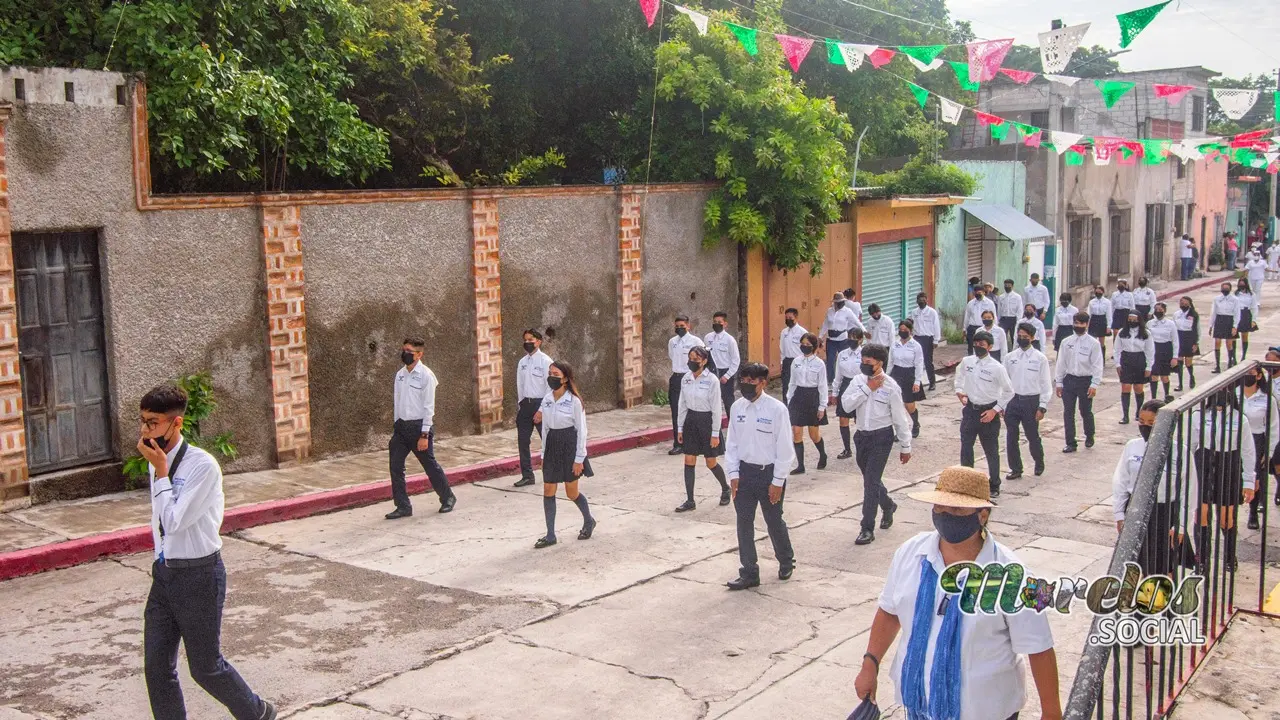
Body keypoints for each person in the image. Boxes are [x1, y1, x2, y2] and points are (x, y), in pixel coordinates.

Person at [853, 466, 1061, 720]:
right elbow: (890, 612)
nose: (946, 515)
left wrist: (1051, 712)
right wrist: (870, 663)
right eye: (940, 508)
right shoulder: (911, 553)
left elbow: (1038, 647)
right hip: (919, 707)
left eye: (957, 510)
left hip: (985, 711)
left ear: (982, 515)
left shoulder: (1014, 576)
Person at [138, 384, 278, 720]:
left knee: (205, 668)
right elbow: (159, 522)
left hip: (198, 575)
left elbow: (173, 521)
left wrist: (160, 474)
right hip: (165, 575)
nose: (145, 431)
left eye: (153, 423)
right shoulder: (157, 460)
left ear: (177, 424)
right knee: (157, 668)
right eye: (142, 422)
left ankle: (257, 713)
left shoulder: (202, 467)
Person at [724, 363, 797, 590]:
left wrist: (778, 481)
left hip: (769, 474)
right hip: (745, 474)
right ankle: (749, 572)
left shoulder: (776, 410)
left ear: (763, 383)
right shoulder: (737, 408)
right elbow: (732, 444)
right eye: (743, 381)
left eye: (751, 382)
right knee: (744, 522)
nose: (746, 385)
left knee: (773, 520)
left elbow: (785, 449)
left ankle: (785, 560)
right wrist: (733, 474)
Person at [1112, 399, 1198, 577]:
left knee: (1164, 566)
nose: (1145, 427)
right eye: (1142, 422)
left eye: (1151, 423)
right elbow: (1121, 481)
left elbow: (1189, 491)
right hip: (1136, 509)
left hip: (1165, 513)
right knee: (1135, 563)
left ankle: (1162, 602)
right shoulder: (1132, 447)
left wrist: (1181, 525)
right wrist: (1119, 514)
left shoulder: (1180, 452)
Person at [841, 343, 911, 546]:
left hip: (882, 437)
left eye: (868, 362)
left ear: (879, 363)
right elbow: (846, 405)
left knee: (870, 483)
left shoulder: (891, 386)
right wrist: (867, 389)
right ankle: (888, 505)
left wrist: (905, 446)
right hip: (862, 437)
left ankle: (866, 528)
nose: (864, 364)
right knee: (872, 479)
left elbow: (900, 418)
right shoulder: (857, 381)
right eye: (862, 361)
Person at [386, 338, 456, 519]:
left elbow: (428, 407)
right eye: (404, 350)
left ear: (419, 354)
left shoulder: (426, 375)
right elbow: (397, 402)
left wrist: (424, 434)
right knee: (395, 467)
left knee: (429, 465)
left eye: (410, 351)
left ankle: (447, 497)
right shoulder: (400, 375)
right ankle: (403, 506)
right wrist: (396, 426)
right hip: (401, 427)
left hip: (419, 428)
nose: (405, 354)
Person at [1190, 389, 1257, 572]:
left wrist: (1249, 481)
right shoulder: (1199, 416)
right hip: (1204, 461)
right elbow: (1190, 445)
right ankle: (1202, 558)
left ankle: (1229, 555)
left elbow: (1248, 452)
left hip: (1229, 463)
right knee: (1201, 514)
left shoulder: (1239, 418)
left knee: (1226, 518)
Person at [533, 362, 597, 548]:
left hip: (569, 445)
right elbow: (545, 429)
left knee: (571, 492)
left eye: (556, 374)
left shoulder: (574, 402)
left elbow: (582, 431)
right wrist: (543, 453)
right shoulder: (546, 399)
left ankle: (588, 520)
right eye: (549, 373)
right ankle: (550, 534)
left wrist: (579, 458)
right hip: (552, 444)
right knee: (548, 489)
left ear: (566, 378)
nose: (551, 377)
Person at [955, 331, 1014, 497]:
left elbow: (1009, 391)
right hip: (970, 411)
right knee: (966, 448)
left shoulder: (997, 368)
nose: (978, 347)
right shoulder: (967, 362)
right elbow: (959, 377)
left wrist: (995, 410)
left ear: (990, 347)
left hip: (988, 413)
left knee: (991, 451)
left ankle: (994, 484)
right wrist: (959, 391)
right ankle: (967, 482)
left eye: (982, 345)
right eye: (976, 344)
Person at [675, 347, 731, 512]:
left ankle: (725, 488)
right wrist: (679, 428)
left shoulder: (712, 380)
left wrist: (715, 433)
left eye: (696, 359)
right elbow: (682, 404)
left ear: (704, 361)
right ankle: (690, 500)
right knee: (689, 460)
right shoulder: (686, 378)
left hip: (706, 422)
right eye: (690, 358)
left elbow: (716, 408)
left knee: (710, 462)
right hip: (691, 421)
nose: (692, 362)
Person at [1003, 323, 1052, 480]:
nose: (1022, 339)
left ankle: (1038, 461)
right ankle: (1016, 468)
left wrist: (1042, 406)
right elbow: (1004, 383)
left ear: (1032, 338)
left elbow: (1045, 384)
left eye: (1026, 337)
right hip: (1012, 400)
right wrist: (1001, 404)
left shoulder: (1040, 359)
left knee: (1032, 435)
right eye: (1020, 336)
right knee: (1011, 436)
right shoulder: (1010, 358)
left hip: (1031, 401)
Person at [1056, 312, 1103, 453]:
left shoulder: (1093, 343)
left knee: (1085, 411)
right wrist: (1059, 382)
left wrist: (1094, 384)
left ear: (1087, 324)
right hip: (1069, 380)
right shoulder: (1066, 342)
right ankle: (1070, 442)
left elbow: (1097, 365)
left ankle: (1089, 435)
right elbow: (1061, 363)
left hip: (1085, 381)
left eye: (1082, 323)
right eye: (1076, 323)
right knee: (1068, 412)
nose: (1078, 326)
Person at [514, 329, 553, 488]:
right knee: (523, 441)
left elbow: (550, 389)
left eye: (531, 339)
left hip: (540, 404)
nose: (528, 342)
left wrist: (542, 411)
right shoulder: (522, 362)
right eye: (526, 340)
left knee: (548, 441)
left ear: (539, 341)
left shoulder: (546, 361)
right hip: (525, 405)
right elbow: (520, 385)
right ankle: (527, 475)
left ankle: (553, 473)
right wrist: (520, 404)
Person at [786, 332, 829, 474]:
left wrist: (822, 406)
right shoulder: (796, 361)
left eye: (808, 345)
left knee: (813, 434)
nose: (804, 347)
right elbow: (792, 382)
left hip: (812, 397)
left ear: (814, 347)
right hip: (798, 396)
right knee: (796, 432)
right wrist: (789, 399)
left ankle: (822, 454)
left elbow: (822, 386)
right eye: (802, 344)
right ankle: (800, 465)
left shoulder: (819, 364)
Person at [1241, 366, 1278, 531]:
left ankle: (1253, 512)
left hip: (1257, 439)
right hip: (1237, 439)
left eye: (1251, 374)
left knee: (1255, 478)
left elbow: (1274, 427)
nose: (1248, 377)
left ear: (1258, 376)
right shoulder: (1233, 395)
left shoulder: (1267, 399)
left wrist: (1268, 452)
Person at [667, 314, 706, 455]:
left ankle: (696, 442)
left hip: (691, 377)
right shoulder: (672, 342)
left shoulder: (696, 341)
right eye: (677, 327)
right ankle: (678, 443)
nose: (679, 329)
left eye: (682, 326)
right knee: (677, 412)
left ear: (688, 326)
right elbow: (672, 357)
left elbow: (703, 360)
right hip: (677, 378)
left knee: (694, 410)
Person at [1113, 311, 1154, 425]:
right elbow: (1117, 349)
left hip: (1139, 359)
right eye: (1130, 319)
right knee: (1125, 387)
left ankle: (1138, 412)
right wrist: (1117, 364)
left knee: (1138, 387)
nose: (1132, 321)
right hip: (1126, 359)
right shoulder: (1122, 332)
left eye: (1134, 319)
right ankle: (1125, 416)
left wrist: (1149, 366)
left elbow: (1150, 351)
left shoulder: (1146, 333)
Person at [888, 319, 927, 438]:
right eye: (900, 330)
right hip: (896, 373)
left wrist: (917, 381)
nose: (902, 332)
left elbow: (919, 364)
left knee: (909, 405)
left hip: (909, 374)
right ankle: (900, 431)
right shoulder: (895, 344)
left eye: (905, 330)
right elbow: (890, 361)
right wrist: (886, 376)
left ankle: (915, 423)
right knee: (895, 405)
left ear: (910, 331)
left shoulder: (916, 346)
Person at [830, 330, 865, 460]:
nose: (852, 340)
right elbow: (838, 374)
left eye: (855, 338)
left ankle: (862, 447)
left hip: (860, 385)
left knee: (859, 418)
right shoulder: (843, 354)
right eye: (850, 337)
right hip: (845, 385)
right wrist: (834, 392)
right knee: (843, 418)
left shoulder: (864, 354)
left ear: (861, 340)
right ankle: (847, 449)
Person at [704, 310, 741, 423]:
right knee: (711, 401)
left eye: (719, 322)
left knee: (728, 401)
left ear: (725, 324)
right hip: (711, 372)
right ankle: (714, 426)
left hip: (725, 373)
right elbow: (705, 355)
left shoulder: (730, 340)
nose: (716, 324)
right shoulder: (708, 337)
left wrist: (727, 376)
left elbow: (736, 360)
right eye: (714, 321)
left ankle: (733, 426)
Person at [820, 292, 864, 385]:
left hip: (842, 339)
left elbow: (857, 322)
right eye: (838, 302)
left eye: (842, 301)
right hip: (831, 339)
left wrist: (864, 331)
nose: (841, 303)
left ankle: (843, 378)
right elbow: (825, 324)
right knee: (830, 360)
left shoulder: (847, 311)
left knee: (843, 359)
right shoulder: (829, 311)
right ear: (835, 302)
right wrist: (820, 336)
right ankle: (830, 380)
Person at [908, 293, 941, 391]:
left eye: (923, 299)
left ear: (926, 300)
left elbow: (936, 326)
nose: (921, 301)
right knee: (915, 361)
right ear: (916, 301)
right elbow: (910, 323)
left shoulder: (932, 312)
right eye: (919, 299)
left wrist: (936, 340)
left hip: (928, 339)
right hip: (917, 338)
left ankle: (932, 383)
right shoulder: (914, 312)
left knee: (928, 362)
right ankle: (916, 383)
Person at [1146, 303, 1178, 401]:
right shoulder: (1150, 323)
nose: (1158, 311)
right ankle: (1153, 398)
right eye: (1156, 309)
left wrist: (1175, 357)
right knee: (1154, 375)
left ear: (1165, 311)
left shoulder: (1170, 324)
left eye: (1160, 310)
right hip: (1153, 349)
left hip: (1166, 349)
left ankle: (1167, 396)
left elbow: (1175, 340)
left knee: (1164, 376)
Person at [1210, 282, 1240, 373]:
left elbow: (1237, 313)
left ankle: (1230, 362)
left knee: (1229, 343)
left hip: (1229, 320)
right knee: (1217, 342)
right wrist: (1211, 325)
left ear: (1230, 289)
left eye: (1226, 288)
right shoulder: (1217, 299)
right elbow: (1213, 312)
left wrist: (1235, 326)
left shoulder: (1235, 299)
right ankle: (1217, 365)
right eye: (1223, 288)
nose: (1225, 290)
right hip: (1219, 320)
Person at [779, 307, 807, 398]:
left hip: (799, 361)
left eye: (790, 318)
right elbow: (782, 348)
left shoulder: (802, 332)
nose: (788, 320)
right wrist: (782, 362)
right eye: (786, 318)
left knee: (798, 384)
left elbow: (807, 349)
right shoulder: (784, 332)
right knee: (786, 385)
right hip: (787, 361)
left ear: (796, 318)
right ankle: (786, 406)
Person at [1173, 296, 1200, 391]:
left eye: (1185, 303)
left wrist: (1196, 343)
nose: (1183, 305)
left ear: (1189, 304)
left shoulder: (1194, 315)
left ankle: (1191, 377)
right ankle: (1180, 384)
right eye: (1181, 303)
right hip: (1179, 337)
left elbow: (1196, 330)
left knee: (1188, 362)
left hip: (1189, 338)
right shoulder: (1176, 314)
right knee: (1179, 362)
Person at [963, 285, 996, 355]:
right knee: (971, 347)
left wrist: (993, 327)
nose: (978, 294)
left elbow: (994, 316)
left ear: (984, 292)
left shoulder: (989, 303)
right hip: (972, 328)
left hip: (984, 327)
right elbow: (967, 317)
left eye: (979, 292)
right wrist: (964, 329)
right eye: (976, 292)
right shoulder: (970, 303)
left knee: (984, 346)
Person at [1087, 285, 1113, 358]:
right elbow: (1089, 314)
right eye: (1097, 292)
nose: (1098, 293)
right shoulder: (1091, 302)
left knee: (1101, 342)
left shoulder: (1107, 302)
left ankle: (1102, 359)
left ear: (1103, 292)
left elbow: (1109, 315)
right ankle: (1093, 358)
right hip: (1094, 320)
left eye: (1100, 292)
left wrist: (1108, 326)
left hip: (1102, 320)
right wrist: (1087, 324)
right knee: (1092, 341)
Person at [997, 279, 1023, 350]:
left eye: (1009, 285)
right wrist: (998, 321)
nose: (1007, 287)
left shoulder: (1017, 297)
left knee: (1014, 337)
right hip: (1004, 319)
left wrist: (1018, 320)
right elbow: (999, 309)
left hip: (1013, 319)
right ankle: (1004, 351)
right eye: (1005, 285)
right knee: (1002, 337)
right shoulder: (1001, 297)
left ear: (1012, 286)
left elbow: (1020, 309)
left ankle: (1015, 351)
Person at [1236, 278, 1257, 361]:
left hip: (1246, 314)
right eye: (1239, 284)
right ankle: (1233, 356)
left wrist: (1254, 320)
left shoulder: (1251, 295)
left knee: (1244, 336)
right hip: (1237, 313)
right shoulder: (1236, 294)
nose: (1241, 285)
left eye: (1242, 283)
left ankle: (1243, 355)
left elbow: (1254, 308)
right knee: (1233, 336)